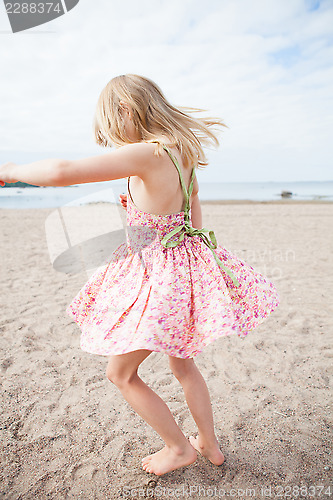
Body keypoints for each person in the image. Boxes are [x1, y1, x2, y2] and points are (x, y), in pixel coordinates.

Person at [0, 74, 280, 476]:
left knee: (121, 373)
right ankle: (210, 445)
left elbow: (63, 170)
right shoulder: (182, 152)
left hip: (159, 275)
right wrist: (183, 242)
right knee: (183, 365)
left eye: (113, 130)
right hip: (183, 266)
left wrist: (10, 169)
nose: (115, 142)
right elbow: (192, 204)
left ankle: (178, 448)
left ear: (126, 111)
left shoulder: (148, 153)